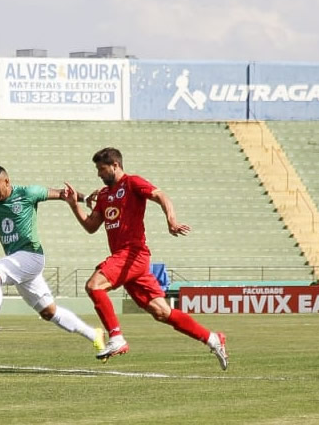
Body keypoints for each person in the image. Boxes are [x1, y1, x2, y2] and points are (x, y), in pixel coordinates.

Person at [62, 147, 228, 369]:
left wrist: (171, 220)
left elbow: (161, 195)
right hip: (127, 260)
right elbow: (91, 226)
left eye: (102, 169)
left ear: (115, 166)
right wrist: (74, 205)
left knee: (94, 285)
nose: (99, 174)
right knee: (161, 312)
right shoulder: (103, 195)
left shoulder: (132, 183)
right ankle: (212, 339)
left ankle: (116, 337)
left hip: (133, 253)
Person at [0, 166, 106, 354]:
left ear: (7, 181)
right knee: (49, 312)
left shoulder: (28, 193)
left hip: (32, 255)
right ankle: (94, 334)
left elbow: (63, 194)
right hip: (18, 262)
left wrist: (85, 198)